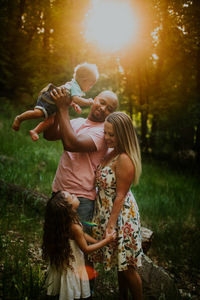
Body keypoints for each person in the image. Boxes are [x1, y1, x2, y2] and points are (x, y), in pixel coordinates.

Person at [44, 88, 118, 226]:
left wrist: (63, 108)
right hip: (58, 191)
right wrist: (54, 108)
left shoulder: (102, 133)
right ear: (94, 99)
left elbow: (71, 144)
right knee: (52, 239)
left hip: (81, 199)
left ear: (111, 114)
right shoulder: (77, 122)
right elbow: (49, 135)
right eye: (102, 102)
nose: (102, 108)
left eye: (109, 108)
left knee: (77, 245)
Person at [89, 112, 143, 300]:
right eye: (106, 133)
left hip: (121, 216)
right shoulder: (112, 152)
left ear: (123, 134)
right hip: (106, 211)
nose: (107, 138)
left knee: (127, 266)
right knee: (120, 264)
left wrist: (111, 225)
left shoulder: (125, 159)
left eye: (112, 134)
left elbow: (120, 195)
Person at [42, 190, 116, 300]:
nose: (74, 194)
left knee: (61, 287)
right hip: (73, 265)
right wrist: (107, 241)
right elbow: (86, 249)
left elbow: (83, 235)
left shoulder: (66, 221)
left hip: (63, 261)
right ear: (68, 208)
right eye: (71, 197)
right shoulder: (74, 227)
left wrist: (97, 242)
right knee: (71, 289)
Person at [12, 62, 99, 141]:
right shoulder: (75, 86)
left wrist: (74, 105)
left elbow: (70, 98)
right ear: (84, 81)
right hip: (49, 99)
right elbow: (76, 99)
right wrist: (88, 101)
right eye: (90, 85)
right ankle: (19, 118)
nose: (90, 87)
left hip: (54, 104)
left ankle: (35, 131)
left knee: (51, 121)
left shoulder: (74, 87)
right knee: (38, 113)